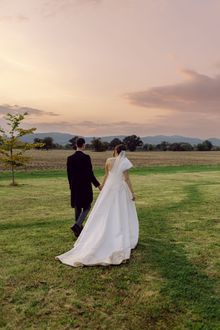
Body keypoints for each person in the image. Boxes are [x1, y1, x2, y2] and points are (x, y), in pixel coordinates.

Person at [56, 144, 139, 267]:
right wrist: (132, 192)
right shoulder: (124, 162)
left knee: (104, 211)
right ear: (123, 152)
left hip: (109, 189)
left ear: (115, 150)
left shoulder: (108, 161)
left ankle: (86, 227)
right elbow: (126, 179)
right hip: (120, 189)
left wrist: (103, 187)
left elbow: (106, 176)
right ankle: (118, 231)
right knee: (120, 211)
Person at [67, 137, 101, 237]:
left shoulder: (70, 158)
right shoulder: (86, 157)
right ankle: (77, 225)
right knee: (87, 206)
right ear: (83, 145)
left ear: (76, 145)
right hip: (85, 186)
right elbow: (90, 173)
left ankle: (78, 231)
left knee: (77, 207)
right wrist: (98, 185)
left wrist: (71, 186)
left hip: (75, 187)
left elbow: (69, 175)